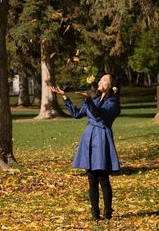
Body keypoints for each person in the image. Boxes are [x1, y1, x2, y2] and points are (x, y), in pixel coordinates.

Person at [51, 74, 120, 220]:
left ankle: (108, 213)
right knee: (91, 178)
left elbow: (99, 115)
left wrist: (88, 100)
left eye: (104, 80)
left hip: (101, 138)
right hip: (88, 138)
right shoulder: (94, 99)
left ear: (111, 85)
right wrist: (64, 97)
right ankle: (95, 214)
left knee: (103, 178)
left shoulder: (113, 102)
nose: (100, 81)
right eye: (100, 79)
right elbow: (76, 114)